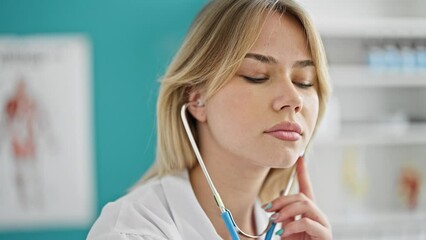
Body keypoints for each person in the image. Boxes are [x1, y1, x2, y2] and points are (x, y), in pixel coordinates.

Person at [87, 0, 332, 239]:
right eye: (256, 76)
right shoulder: (130, 231)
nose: (294, 98)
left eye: (304, 81)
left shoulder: (293, 232)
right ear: (197, 101)